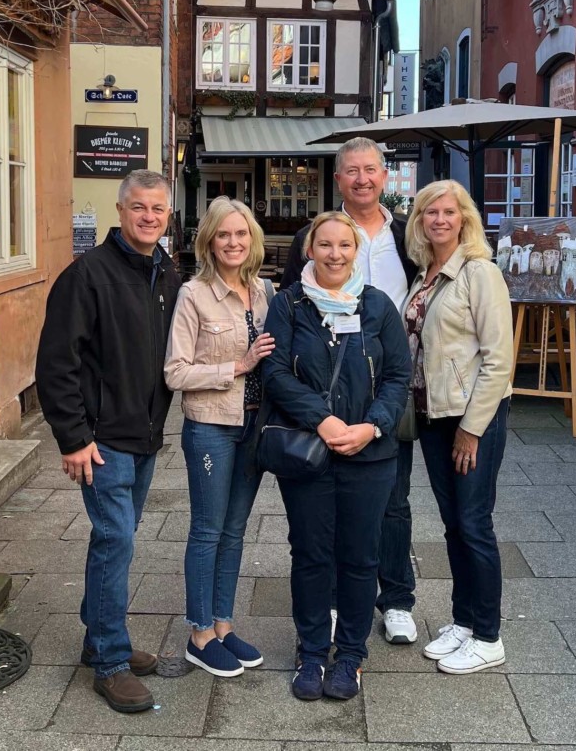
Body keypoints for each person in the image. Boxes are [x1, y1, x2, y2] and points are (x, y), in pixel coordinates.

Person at [35, 170, 180, 714]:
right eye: (138, 207)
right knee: (116, 540)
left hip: (144, 436)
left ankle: (99, 636)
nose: (148, 217)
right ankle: (111, 663)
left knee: (118, 538)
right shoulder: (87, 275)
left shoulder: (166, 272)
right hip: (101, 440)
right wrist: (73, 438)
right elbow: (56, 364)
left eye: (158, 210)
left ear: (168, 216)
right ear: (120, 211)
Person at [263, 211, 410, 701]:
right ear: (310, 250)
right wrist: (322, 420)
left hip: (371, 455)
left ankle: (350, 655)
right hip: (310, 453)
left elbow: (397, 377)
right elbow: (277, 373)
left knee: (359, 557)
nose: (334, 254)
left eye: (344, 246)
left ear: (356, 251)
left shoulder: (379, 307)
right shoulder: (287, 307)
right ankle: (310, 651)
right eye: (324, 245)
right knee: (309, 554)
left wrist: (372, 426)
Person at [280, 137, 420, 647]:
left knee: (394, 500)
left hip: (388, 384)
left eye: (371, 170)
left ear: (385, 176)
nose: (362, 178)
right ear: (338, 180)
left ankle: (397, 598)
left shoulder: (409, 234)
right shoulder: (314, 235)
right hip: (327, 392)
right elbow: (293, 314)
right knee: (330, 510)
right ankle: (337, 600)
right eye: (351, 171)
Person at [403, 180, 513, 674]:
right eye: (431, 212)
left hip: (473, 419)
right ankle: (465, 622)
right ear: (420, 220)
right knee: (453, 526)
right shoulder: (427, 273)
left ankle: (489, 635)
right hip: (433, 416)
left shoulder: (480, 272)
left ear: (464, 218)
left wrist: (472, 429)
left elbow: (499, 361)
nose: (440, 220)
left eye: (449, 212)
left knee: (474, 523)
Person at [164, 197, 275, 678]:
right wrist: (238, 366)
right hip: (211, 425)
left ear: (252, 240)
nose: (233, 242)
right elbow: (174, 372)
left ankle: (224, 626)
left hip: (254, 426)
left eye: (241, 234)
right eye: (223, 235)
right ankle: (198, 634)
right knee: (208, 530)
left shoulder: (263, 291)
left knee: (234, 531)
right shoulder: (194, 294)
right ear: (209, 241)